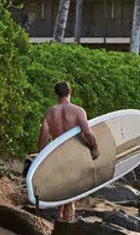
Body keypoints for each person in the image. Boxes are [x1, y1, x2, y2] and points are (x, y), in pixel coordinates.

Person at [37, 81, 99, 221]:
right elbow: (87, 132)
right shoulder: (78, 111)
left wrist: (42, 156)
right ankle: (67, 223)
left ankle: (59, 216)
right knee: (70, 193)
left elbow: (43, 136)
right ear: (69, 91)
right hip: (73, 156)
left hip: (57, 155)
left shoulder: (50, 113)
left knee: (62, 185)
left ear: (55, 94)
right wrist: (95, 147)